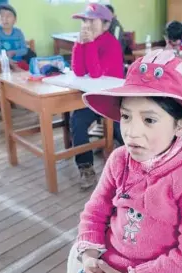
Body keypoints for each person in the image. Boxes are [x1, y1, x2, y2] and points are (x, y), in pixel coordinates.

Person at [67, 49, 182, 273]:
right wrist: (90, 256)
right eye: (126, 117)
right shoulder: (119, 159)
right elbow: (96, 210)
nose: (131, 133)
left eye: (149, 119)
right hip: (106, 262)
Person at [70, 3, 124, 190]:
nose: (86, 25)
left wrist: (90, 44)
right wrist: (79, 44)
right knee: (77, 121)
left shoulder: (111, 44)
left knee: (122, 131)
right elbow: (78, 70)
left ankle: (138, 165)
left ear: (106, 25)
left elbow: (95, 74)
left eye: (92, 21)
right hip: (93, 98)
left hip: (113, 99)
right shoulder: (86, 40)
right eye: (84, 21)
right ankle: (86, 167)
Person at [0, 4, 31, 70]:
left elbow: (24, 50)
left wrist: (14, 52)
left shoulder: (18, 32)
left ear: (15, 20)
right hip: (2, 63)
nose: (4, 19)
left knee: (30, 72)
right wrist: (8, 60)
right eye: (1, 16)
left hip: (19, 62)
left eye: (8, 16)